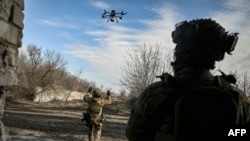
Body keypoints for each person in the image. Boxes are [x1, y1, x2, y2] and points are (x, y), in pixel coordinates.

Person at [125, 18, 250, 141]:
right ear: (218, 55)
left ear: (179, 51)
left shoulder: (155, 94)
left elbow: (133, 135)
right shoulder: (237, 99)